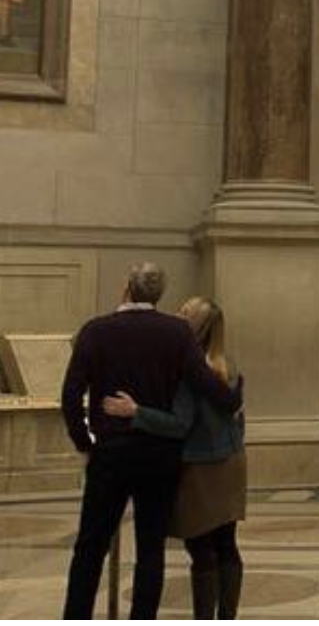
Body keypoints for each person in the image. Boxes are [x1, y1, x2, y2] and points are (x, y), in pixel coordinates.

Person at [60, 263, 241, 620]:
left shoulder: (96, 330)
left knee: (90, 548)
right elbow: (205, 382)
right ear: (159, 295)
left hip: (110, 453)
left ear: (127, 287)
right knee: (150, 549)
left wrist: (84, 443)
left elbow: (70, 395)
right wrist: (233, 398)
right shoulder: (177, 332)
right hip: (159, 456)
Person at [102, 297, 247, 620]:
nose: (176, 314)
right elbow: (239, 418)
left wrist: (136, 412)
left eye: (184, 312)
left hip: (200, 467)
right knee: (226, 543)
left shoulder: (189, 370)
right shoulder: (227, 364)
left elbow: (179, 424)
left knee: (201, 548)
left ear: (195, 326)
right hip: (231, 461)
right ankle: (227, 617)